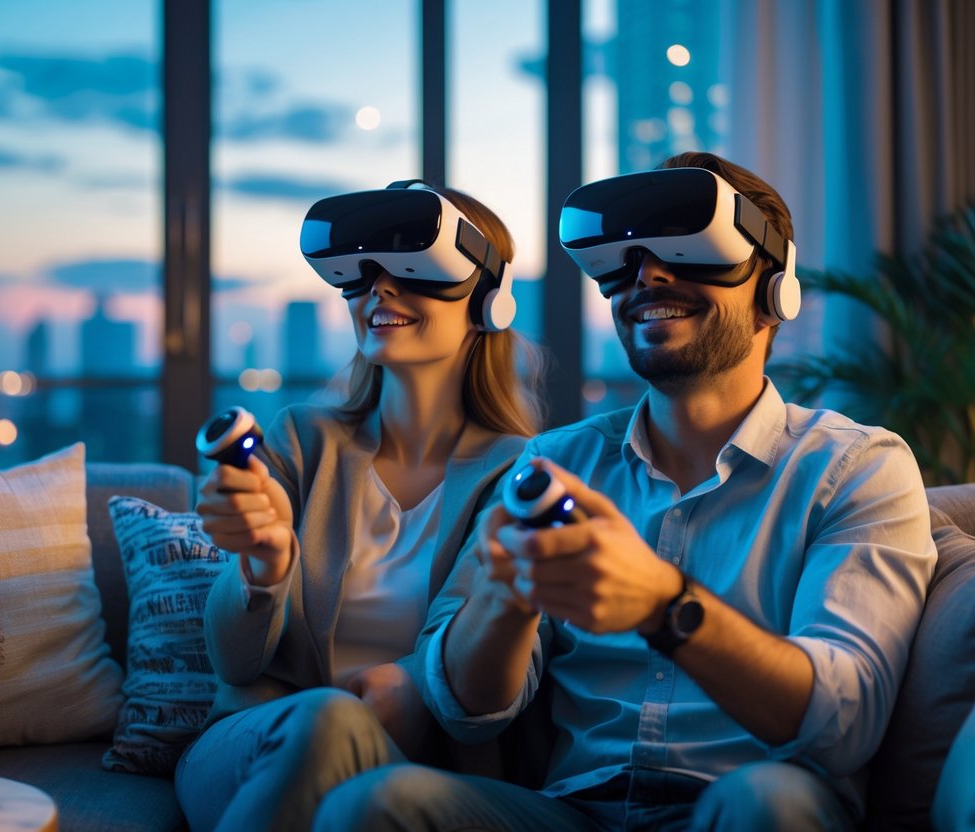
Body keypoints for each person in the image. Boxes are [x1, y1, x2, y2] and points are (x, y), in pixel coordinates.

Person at [307, 152, 938, 831]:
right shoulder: (555, 463)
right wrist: (503, 598)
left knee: (765, 803)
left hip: (744, 802)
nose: (648, 276)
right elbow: (464, 709)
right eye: (625, 262)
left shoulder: (856, 467)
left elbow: (843, 721)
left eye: (690, 253)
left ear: (772, 288)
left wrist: (665, 606)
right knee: (370, 806)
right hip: (574, 811)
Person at [173, 180, 545, 831]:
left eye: (413, 270)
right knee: (327, 717)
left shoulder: (522, 475)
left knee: (344, 734)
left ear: (490, 299)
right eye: (360, 275)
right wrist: (262, 568)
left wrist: (411, 682)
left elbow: (485, 683)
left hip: (419, 775)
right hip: (260, 748)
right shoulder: (300, 441)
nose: (379, 290)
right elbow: (234, 663)